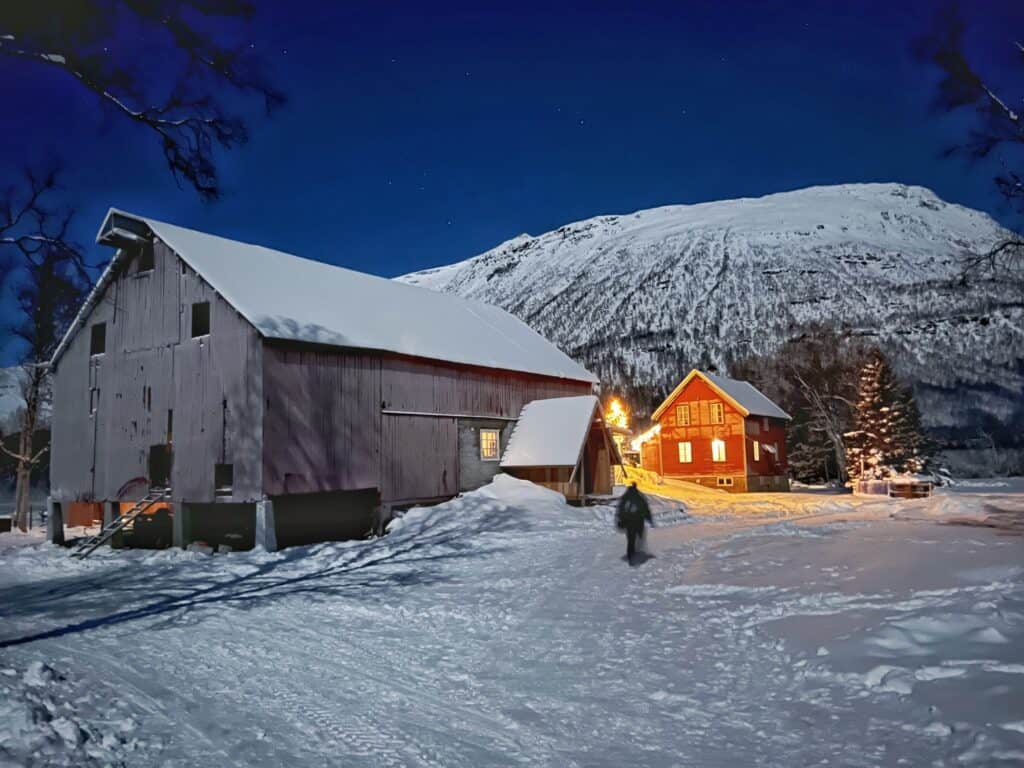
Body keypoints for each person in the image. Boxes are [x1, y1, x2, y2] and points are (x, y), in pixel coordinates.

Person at [616, 482, 652, 562]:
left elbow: (621, 509)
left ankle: (630, 554)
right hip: (639, 522)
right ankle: (638, 550)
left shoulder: (625, 497)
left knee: (630, 539)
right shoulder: (639, 497)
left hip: (629, 523)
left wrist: (620, 520)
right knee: (640, 536)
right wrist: (649, 518)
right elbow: (645, 508)